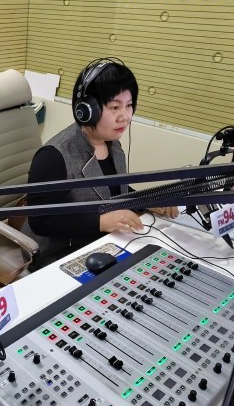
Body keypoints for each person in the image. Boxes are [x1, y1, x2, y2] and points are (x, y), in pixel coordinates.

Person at [24, 58, 178, 270]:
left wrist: (146, 200)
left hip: (103, 243)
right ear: (88, 110)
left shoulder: (112, 144)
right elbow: (41, 222)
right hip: (60, 253)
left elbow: (112, 190)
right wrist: (102, 221)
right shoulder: (54, 156)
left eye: (129, 105)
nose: (125, 117)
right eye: (115, 107)